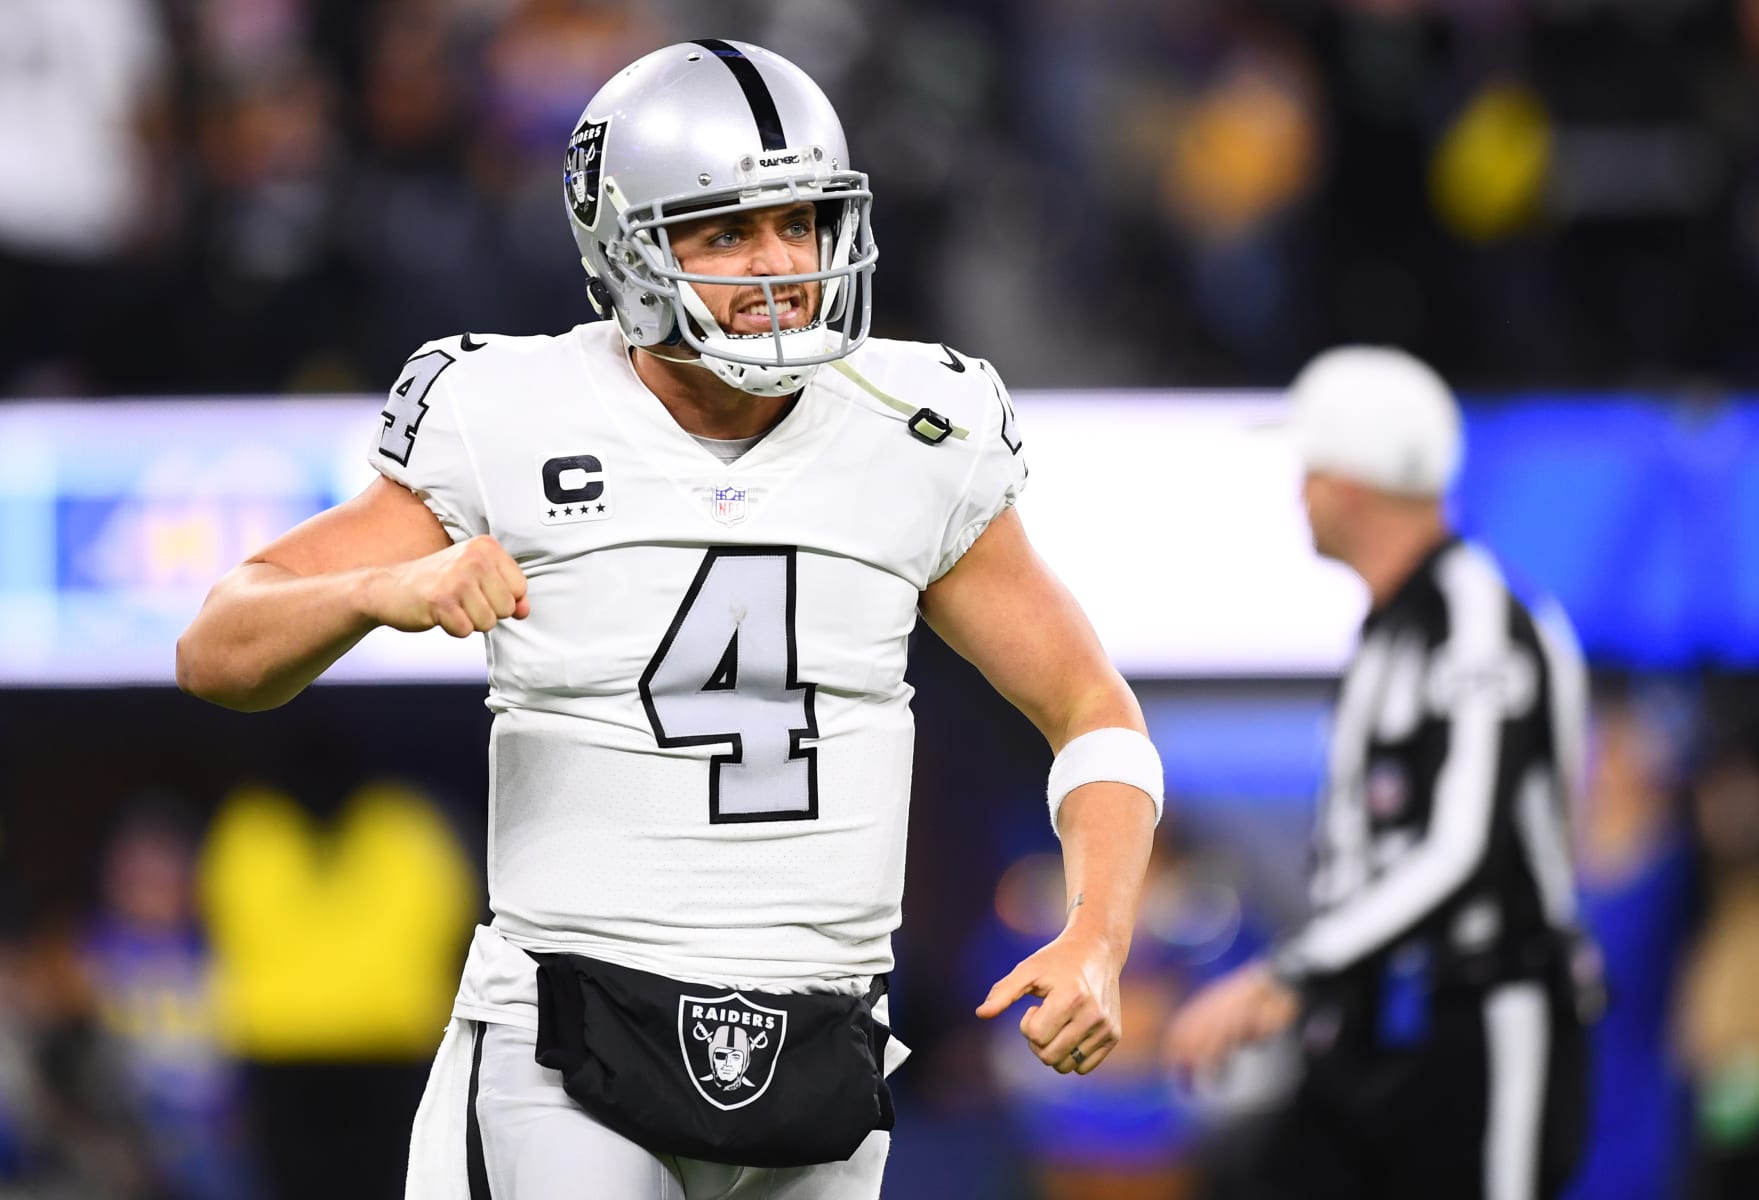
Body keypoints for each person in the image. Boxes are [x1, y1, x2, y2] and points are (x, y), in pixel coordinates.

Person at [175, 39, 1162, 1200]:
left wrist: (1098, 933)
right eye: (727, 231)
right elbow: (219, 647)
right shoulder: (510, 409)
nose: (780, 263)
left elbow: (1091, 709)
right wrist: (372, 593)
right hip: (574, 1031)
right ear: (627, 249)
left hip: (825, 1038)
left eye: (799, 222)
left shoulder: (918, 423)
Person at [1163, 346, 1598, 1200]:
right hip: (1378, 1020)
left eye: (1311, 473)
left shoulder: (1478, 621)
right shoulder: (1391, 628)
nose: (1300, 496)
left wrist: (1291, 973)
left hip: (1486, 1020)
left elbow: (1465, 849)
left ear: (1352, 484)